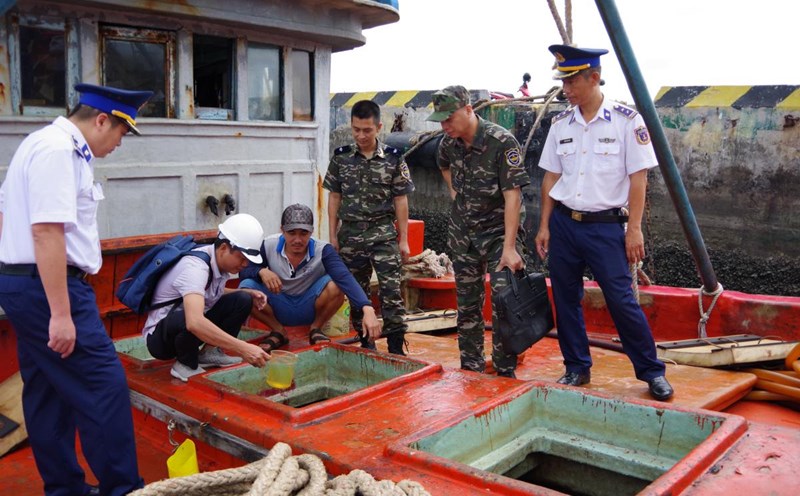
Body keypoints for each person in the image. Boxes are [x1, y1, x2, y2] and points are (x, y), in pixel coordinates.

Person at [0, 83, 152, 495]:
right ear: (101, 120)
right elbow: (47, 231)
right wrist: (61, 313)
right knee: (104, 386)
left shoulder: (39, 144)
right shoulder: (58, 152)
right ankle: (123, 488)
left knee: (47, 388)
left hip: (24, 284)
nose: (120, 142)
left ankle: (64, 488)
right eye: (121, 132)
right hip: (50, 287)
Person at [534, 45, 674, 401]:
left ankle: (651, 371)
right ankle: (576, 367)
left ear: (593, 78)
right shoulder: (560, 124)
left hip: (606, 226)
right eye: (563, 81)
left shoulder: (627, 121)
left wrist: (635, 228)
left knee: (621, 301)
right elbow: (550, 178)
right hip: (565, 224)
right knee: (565, 298)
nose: (565, 89)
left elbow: (638, 179)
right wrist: (545, 225)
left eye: (571, 80)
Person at [428, 85, 529, 378]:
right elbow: (442, 164)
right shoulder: (449, 143)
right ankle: (470, 366)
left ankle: (504, 367)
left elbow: (513, 196)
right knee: (467, 303)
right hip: (464, 232)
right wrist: (454, 192)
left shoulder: (501, 142)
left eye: (449, 118)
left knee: (503, 299)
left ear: (469, 110)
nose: (445, 126)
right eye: (441, 121)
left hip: (499, 231)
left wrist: (510, 248)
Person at [323, 100, 413, 355]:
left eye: (367, 130)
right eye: (356, 130)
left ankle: (396, 347)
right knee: (356, 293)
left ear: (378, 128)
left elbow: (401, 199)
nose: (361, 136)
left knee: (391, 291)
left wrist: (403, 239)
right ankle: (366, 343)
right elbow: (334, 198)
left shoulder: (394, 159)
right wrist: (332, 236)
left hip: (383, 233)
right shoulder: (341, 158)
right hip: (350, 235)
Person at [143, 213, 270, 382]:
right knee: (190, 316)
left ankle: (210, 353)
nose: (245, 264)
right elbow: (194, 322)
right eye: (242, 258)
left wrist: (247, 293)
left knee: (242, 300)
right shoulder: (196, 268)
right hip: (161, 341)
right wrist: (243, 348)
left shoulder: (217, 262)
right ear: (224, 248)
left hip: (184, 331)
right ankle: (185, 364)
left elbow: (208, 293)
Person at [239, 204, 382, 350]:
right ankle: (278, 331)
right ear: (282, 230)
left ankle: (316, 329)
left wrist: (367, 308)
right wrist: (261, 271)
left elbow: (344, 277)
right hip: (278, 302)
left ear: (311, 232)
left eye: (303, 233)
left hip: (309, 305)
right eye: (291, 232)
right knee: (245, 288)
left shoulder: (323, 250)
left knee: (335, 285)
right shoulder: (268, 244)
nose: (297, 239)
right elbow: (244, 270)